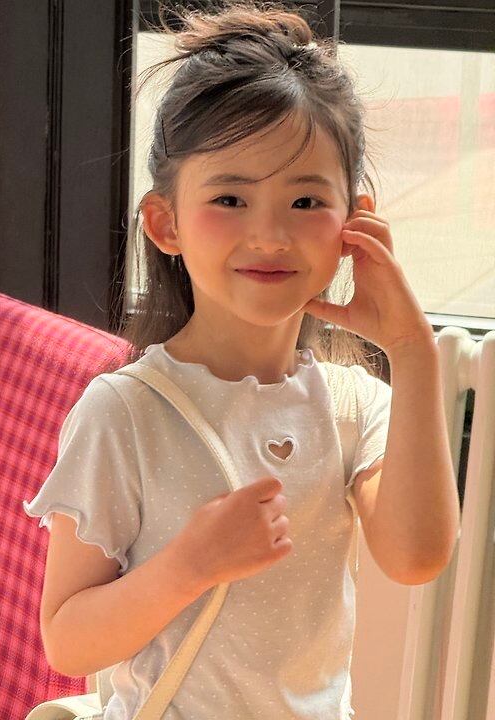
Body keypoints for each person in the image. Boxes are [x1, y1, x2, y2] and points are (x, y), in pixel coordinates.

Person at [22, 2, 459, 718]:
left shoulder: (354, 406)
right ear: (165, 223)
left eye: (306, 200)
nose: (270, 235)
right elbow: (68, 641)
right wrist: (190, 565)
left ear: (354, 221)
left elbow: (417, 558)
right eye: (230, 197)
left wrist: (413, 352)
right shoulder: (124, 412)